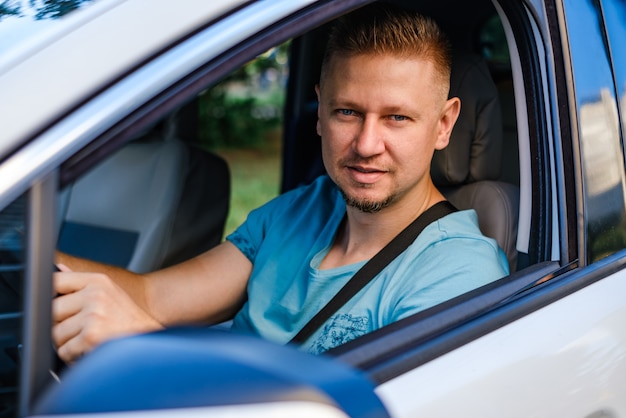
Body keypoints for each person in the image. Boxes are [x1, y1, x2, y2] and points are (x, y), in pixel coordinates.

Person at [53, 3, 509, 362]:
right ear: (320, 110)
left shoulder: (460, 273)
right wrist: (29, 258)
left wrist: (145, 345)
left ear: (444, 124)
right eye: (347, 111)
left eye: (397, 118)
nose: (367, 144)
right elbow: (153, 296)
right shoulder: (297, 211)